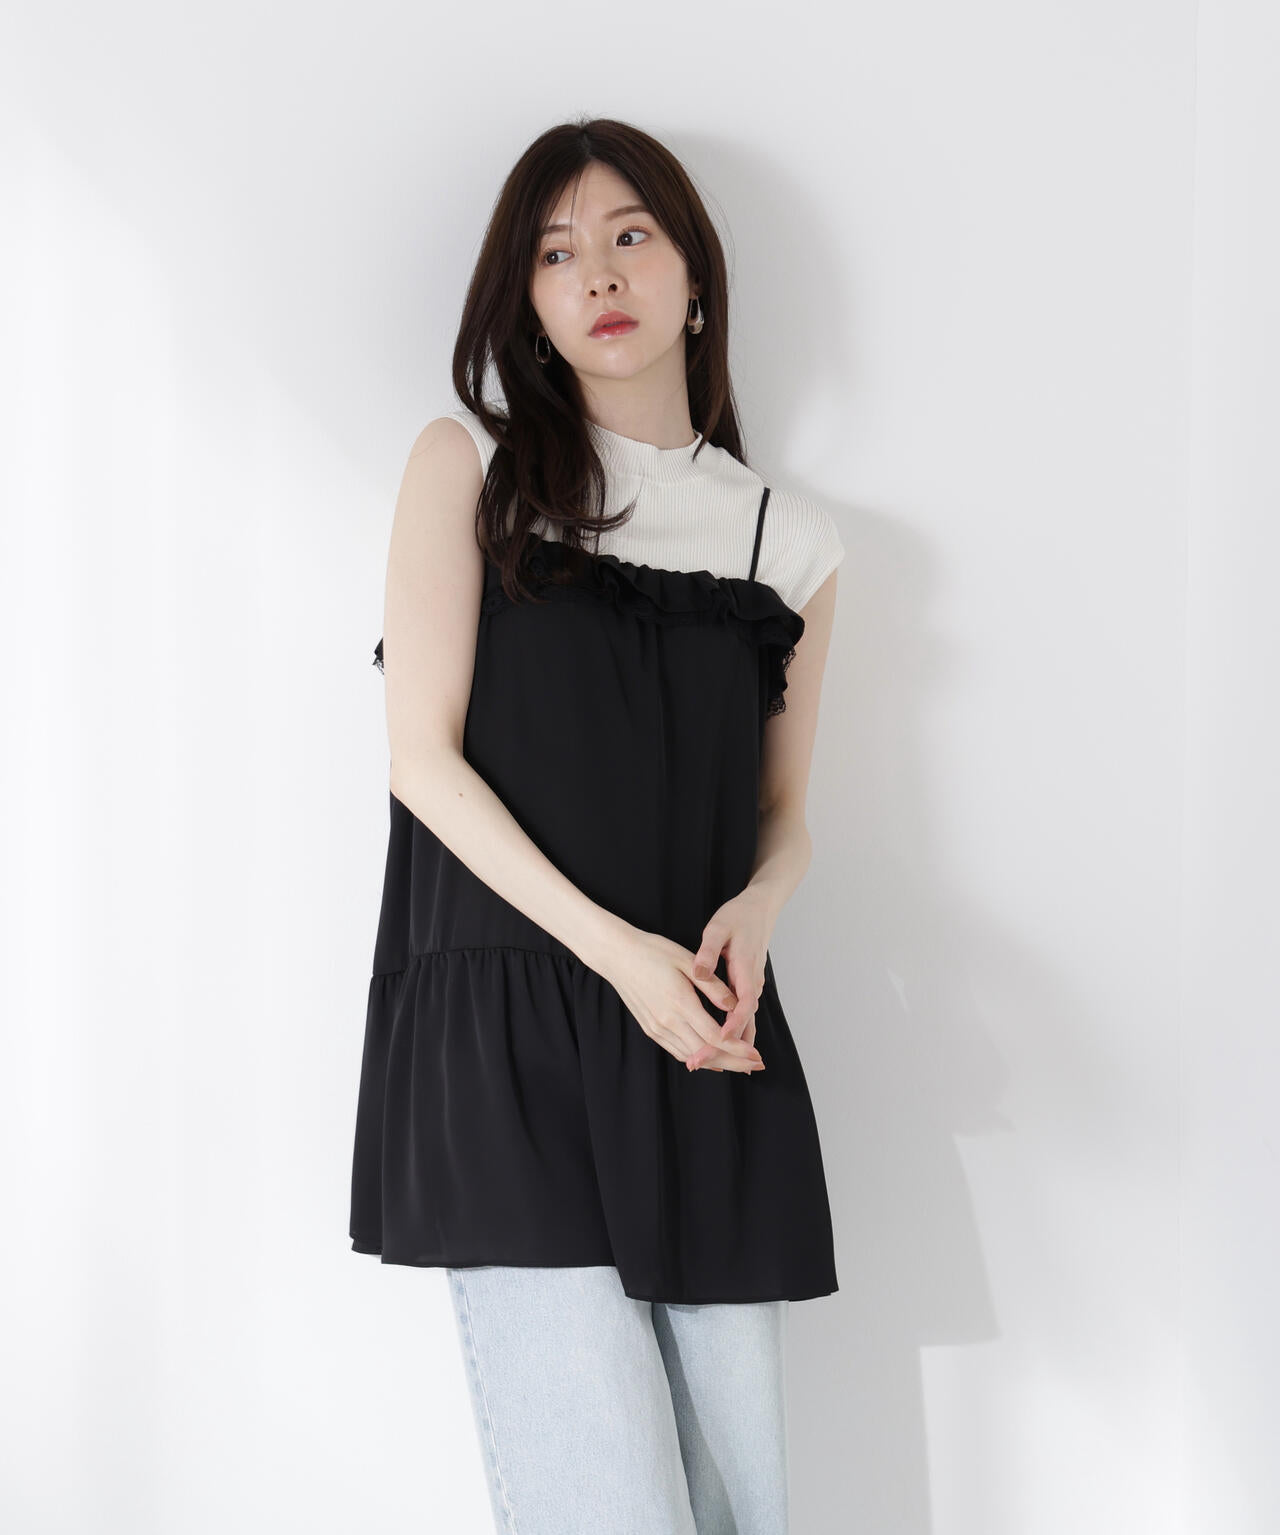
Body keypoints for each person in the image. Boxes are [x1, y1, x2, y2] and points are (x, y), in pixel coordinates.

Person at [349, 116, 845, 1535]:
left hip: (697, 1036)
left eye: (631, 235)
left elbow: (785, 812)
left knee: (740, 1511)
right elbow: (421, 760)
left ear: (695, 277)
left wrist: (757, 908)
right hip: (510, 1034)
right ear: (527, 302)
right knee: (606, 1509)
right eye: (556, 253)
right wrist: (616, 954)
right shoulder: (468, 469)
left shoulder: (785, 542)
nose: (600, 275)